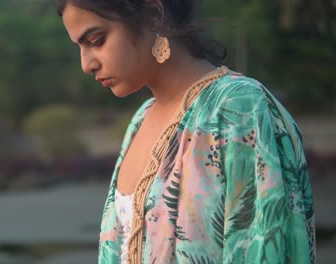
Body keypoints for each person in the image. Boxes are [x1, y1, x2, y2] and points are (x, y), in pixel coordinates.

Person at [57, 0, 316, 263]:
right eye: (79, 47)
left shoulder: (238, 110)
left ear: (153, 15)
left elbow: (264, 247)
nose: (86, 64)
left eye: (97, 40)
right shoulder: (140, 121)